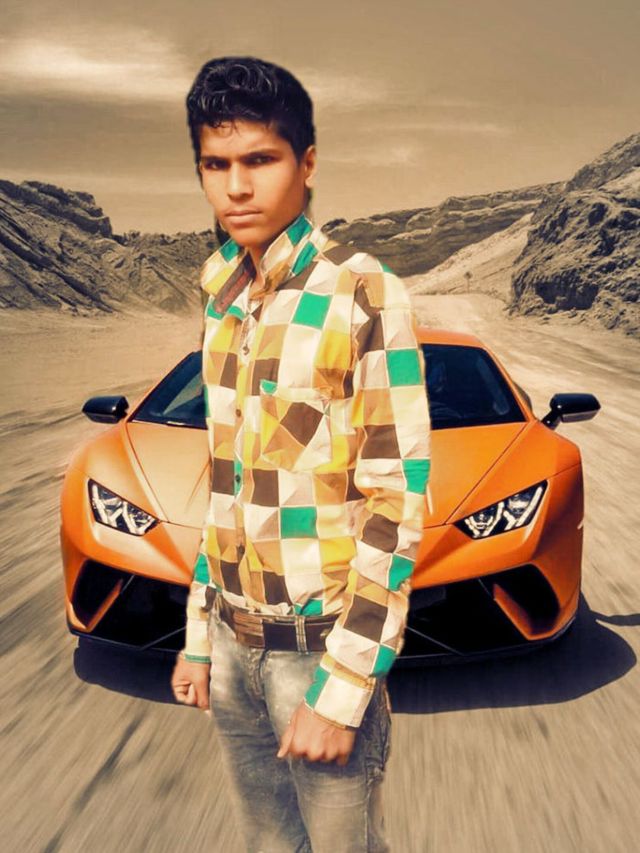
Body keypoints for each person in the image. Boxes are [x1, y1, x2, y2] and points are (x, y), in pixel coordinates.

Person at [171, 56, 431, 853]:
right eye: (215, 164)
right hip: (232, 648)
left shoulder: (363, 291)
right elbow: (227, 486)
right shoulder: (221, 297)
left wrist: (343, 688)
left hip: (318, 652)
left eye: (260, 159)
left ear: (306, 163)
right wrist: (200, 636)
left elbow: (397, 500)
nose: (236, 187)